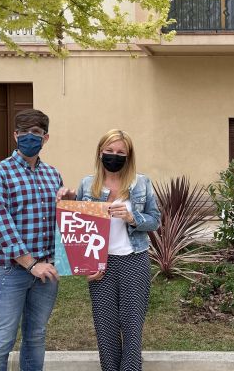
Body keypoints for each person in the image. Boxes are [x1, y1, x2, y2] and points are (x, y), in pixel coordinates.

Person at [0, 109, 74, 371]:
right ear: (15, 135)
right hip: (11, 271)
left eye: (35, 133)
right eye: (24, 132)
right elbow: (1, 225)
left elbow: (58, 222)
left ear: (45, 138)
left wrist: (68, 205)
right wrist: (31, 264)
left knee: (35, 338)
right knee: (1, 342)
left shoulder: (53, 175)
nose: (29, 137)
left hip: (46, 273)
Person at [73, 129, 161, 371]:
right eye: (110, 151)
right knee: (105, 327)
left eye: (121, 152)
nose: (115, 156)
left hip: (134, 260)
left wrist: (133, 218)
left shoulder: (141, 182)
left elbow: (156, 220)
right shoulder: (87, 184)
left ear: (129, 155)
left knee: (132, 327)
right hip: (101, 264)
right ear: (100, 152)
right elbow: (79, 226)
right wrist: (87, 265)